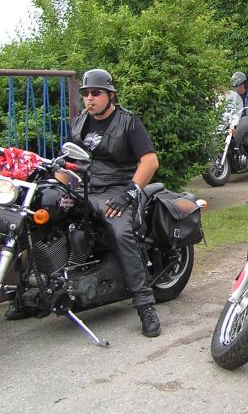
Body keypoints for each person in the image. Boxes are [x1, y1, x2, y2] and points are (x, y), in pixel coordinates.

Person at [71, 69, 162, 337]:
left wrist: (128, 194)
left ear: (110, 95)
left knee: (121, 232)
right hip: (85, 190)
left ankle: (145, 305)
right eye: (86, 93)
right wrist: (56, 183)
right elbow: (70, 162)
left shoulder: (128, 122)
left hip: (115, 190)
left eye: (96, 93)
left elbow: (150, 161)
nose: (90, 98)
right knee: (42, 214)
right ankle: (28, 296)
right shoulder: (79, 123)